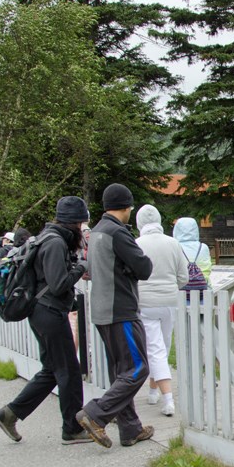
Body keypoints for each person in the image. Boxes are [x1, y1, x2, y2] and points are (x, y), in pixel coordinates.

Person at [0, 197, 92, 445]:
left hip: (40, 312)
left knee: (51, 370)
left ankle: (10, 414)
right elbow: (58, 285)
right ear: (75, 223)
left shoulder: (46, 237)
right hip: (50, 312)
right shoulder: (56, 243)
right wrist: (80, 267)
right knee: (68, 370)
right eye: (81, 223)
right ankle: (72, 428)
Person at [76, 184, 154, 448]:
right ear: (127, 206)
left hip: (101, 311)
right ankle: (96, 414)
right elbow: (144, 268)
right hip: (120, 310)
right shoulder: (118, 233)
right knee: (138, 368)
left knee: (121, 371)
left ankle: (130, 429)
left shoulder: (97, 231)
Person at [134, 205, 188, 417]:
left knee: (155, 349)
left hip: (145, 302)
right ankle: (154, 391)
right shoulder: (173, 243)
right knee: (162, 347)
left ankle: (166, 399)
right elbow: (183, 276)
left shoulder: (136, 244)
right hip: (169, 301)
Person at [173, 216, 213, 289]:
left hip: (180, 290)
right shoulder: (203, 247)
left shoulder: (174, 247)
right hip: (203, 290)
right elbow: (207, 270)